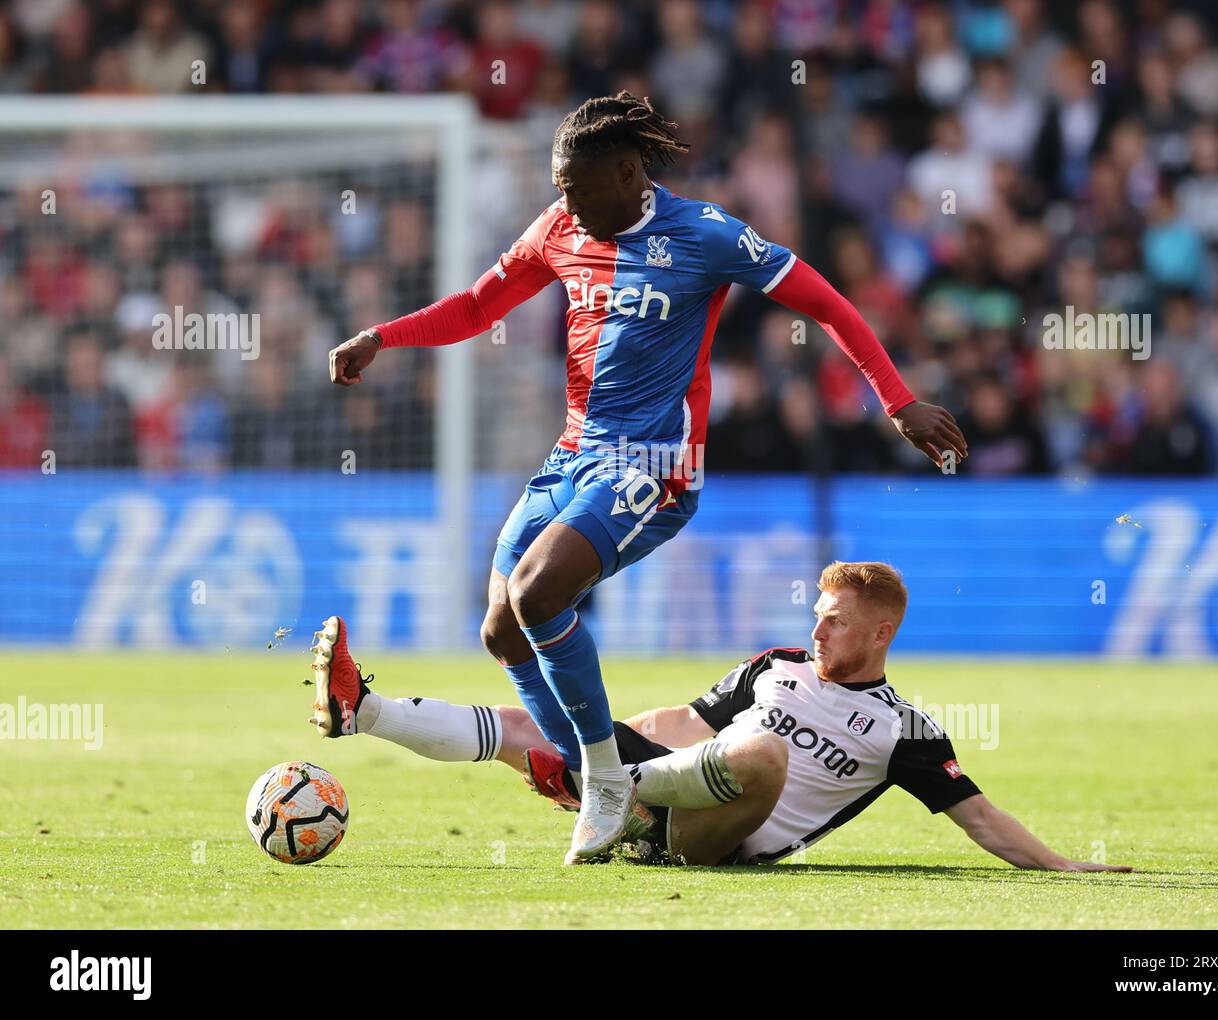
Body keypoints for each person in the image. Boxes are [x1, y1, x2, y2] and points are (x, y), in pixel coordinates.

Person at [323, 92, 969, 864]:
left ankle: (603, 781)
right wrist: (382, 337)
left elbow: (825, 302)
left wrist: (896, 401)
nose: (566, 202)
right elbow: (475, 305)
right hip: (572, 457)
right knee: (499, 628)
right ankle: (608, 782)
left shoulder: (704, 233)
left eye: (580, 187)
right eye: (560, 187)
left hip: (655, 466)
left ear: (629, 173)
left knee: (537, 594)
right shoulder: (561, 228)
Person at [308, 561, 1129, 871]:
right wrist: (595, 748)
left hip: (719, 838)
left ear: (881, 633)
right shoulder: (775, 665)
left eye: (834, 620)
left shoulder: (903, 730)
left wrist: (1067, 868)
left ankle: (615, 796)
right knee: (523, 723)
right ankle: (363, 709)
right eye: (816, 612)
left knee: (764, 753)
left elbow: (979, 817)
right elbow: (684, 719)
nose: (816, 629)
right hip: (669, 780)